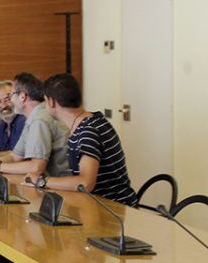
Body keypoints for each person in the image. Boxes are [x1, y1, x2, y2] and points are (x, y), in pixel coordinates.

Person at [25, 73, 137, 205]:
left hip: (113, 208)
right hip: (94, 203)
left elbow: (86, 183)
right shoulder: (91, 121)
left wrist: (40, 181)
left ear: (52, 102)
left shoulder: (88, 131)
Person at [0, 72, 69, 177]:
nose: (8, 102)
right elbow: (15, 156)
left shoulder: (40, 119)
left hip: (60, 187)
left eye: (11, 95)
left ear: (22, 97)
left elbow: (36, 167)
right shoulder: (32, 117)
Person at [0, 80, 26, 152]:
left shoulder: (22, 120)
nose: (4, 105)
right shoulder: (4, 125)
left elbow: (16, 156)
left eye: (8, 99)